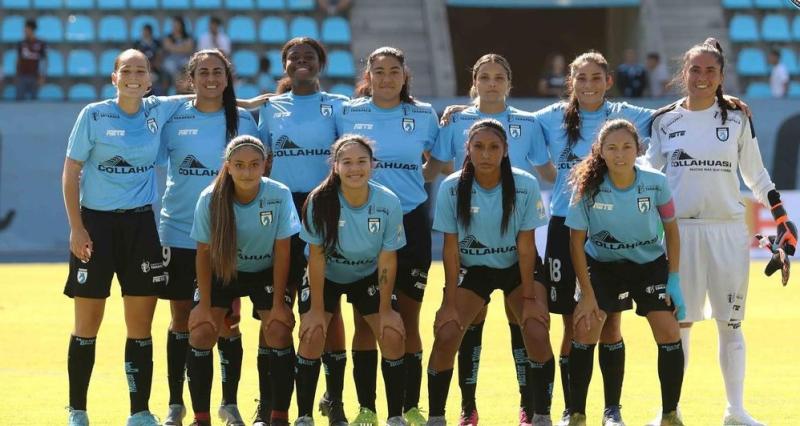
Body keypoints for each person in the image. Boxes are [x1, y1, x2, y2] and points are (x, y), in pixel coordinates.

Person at [643, 38, 796, 426]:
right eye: (695, 69)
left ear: (721, 76)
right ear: (684, 73)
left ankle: (735, 412)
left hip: (727, 232)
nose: (702, 77)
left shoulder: (737, 118)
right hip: (679, 234)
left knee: (731, 323)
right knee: (679, 325)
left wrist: (781, 218)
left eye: (710, 70)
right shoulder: (664, 120)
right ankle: (670, 411)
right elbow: (646, 174)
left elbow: (757, 176)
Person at [424, 53, 556, 426]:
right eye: (478, 147)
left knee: (535, 329)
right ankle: (445, 414)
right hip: (474, 268)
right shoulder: (452, 186)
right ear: (466, 148)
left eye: (494, 147)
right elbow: (450, 249)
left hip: (517, 267)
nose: (486, 153)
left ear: (506, 150)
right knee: (447, 332)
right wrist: (449, 301)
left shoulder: (524, 183)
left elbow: (527, 246)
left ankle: (538, 413)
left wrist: (529, 298)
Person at [62, 49, 189, 426]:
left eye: (141, 71)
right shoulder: (93, 114)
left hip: (140, 228)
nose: (134, 76)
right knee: (87, 325)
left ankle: (139, 412)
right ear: (114, 78)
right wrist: (76, 227)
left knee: (140, 327)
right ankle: (77, 410)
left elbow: (207, 94)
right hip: (95, 227)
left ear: (150, 80)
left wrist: (256, 101)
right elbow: (70, 172)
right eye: (127, 70)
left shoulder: (159, 109)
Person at [533, 50, 655, 426]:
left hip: (609, 227)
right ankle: (573, 409)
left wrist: (724, 101)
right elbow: (505, 117)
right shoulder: (550, 117)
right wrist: (463, 109)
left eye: (596, 77)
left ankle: (612, 409)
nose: (588, 85)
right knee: (572, 323)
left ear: (608, 81)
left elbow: (676, 113)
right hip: (563, 227)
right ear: (571, 82)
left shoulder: (626, 114)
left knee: (610, 322)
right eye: (581, 78)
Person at [335, 46, 440, 426]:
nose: (386, 78)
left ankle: (410, 406)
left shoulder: (424, 115)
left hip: (410, 221)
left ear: (404, 74)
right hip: (362, 224)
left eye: (394, 71)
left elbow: (437, 162)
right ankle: (367, 407)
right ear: (368, 76)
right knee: (367, 320)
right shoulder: (348, 112)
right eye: (378, 71)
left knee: (407, 320)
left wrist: (409, 184)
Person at [157, 49, 259, 426]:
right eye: (203, 73)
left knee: (227, 322)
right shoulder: (174, 117)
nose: (211, 78)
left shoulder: (244, 120)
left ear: (227, 77)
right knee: (182, 318)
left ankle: (229, 403)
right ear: (191, 78)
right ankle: (176, 404)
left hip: (229, 237)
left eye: (218, 72)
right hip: (179, 231)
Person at [564, 118, 685, 426]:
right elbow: (576, 243)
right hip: (603, 267)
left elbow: (672, 231)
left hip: (649, 267)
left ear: (638, 149)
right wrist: (586, 294)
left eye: (627, 147)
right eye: (612, 148)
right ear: (600, 151)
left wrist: (674, 279)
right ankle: (577, 414)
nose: (620, 154)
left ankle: (670, 415)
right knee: (586, 328)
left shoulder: (656, 182)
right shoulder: (587, 186)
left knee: (669, 332)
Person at [257, 36, 351, 426]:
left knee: (327, 310)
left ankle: (335, 399)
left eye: (308, 56)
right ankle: (269, 403)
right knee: (274, 307)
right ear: (284, 64)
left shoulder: (339, 105)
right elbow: (261, 161)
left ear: (321, 63)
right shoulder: (270, 108)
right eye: (293, 56)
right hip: (282, 213)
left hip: (325, 210)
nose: (301, 61)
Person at [293, 135, 408, 426]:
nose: (354, 168)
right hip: (327, 275)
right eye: (347, 162)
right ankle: (304, 416)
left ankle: (394, 416)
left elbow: (387, 259)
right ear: (335, 166)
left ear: (373, 164)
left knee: (392, 333)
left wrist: (386, 310)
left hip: (366, 275)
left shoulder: (388, 202)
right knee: (312, 333)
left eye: (361, 161)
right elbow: (316, 258)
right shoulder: (319, 200)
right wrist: (316, 310)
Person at [186, 135, 300, 426]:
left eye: (254, 164)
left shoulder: (279, 194)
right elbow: (203, 253)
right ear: (228, 166)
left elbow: (283, 250)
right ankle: (201, 418)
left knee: (278, 330)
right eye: (239, 165)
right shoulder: (210, 198)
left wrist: (278, 303)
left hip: (265, 272)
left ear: (265, 164)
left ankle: (277, 416)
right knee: (200, 332)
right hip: (223, 272)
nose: (247, 172)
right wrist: (203, 305)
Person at [16, 19, 46, 101]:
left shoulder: (41, 43)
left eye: (26, 29)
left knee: (34, 102)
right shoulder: (21, 43)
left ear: (31, 29)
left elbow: (43, 61)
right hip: (22, 76)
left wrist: (42, 77)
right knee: (19, 101)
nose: (24, 31)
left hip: (35, 76)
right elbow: (18, 60)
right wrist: (17, 75)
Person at [163, 16, 194, 92]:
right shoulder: (168, 37)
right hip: (171, 59)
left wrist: (174, 47)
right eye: (174, 25)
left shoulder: (187, 37)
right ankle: (178, 88)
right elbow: (167, 47)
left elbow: (188, 49)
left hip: (184, 59)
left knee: (188, 65)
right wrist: (182, 47)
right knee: (170, 66)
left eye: (177, 25)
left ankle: (185, 87)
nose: (175, 27)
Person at [132, 24, 165, 96]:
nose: (145, 33)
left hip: (155, 69)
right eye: (144, 31)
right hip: (141, 69)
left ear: (151, 32)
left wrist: (154, 66)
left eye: (147, 31)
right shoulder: (137, 44)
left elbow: (160, 56)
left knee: (160, 82)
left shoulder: (157, 43)